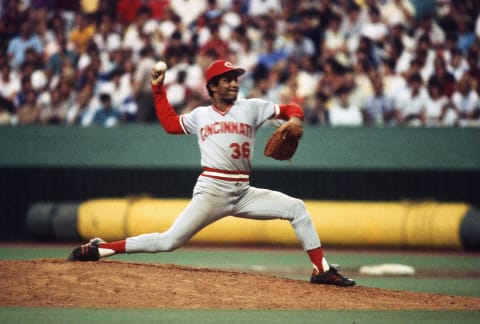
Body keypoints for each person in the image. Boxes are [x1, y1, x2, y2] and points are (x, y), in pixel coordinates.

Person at [67, 59, 356, 287]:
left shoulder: (252, 108)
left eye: (235, 79)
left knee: (296, 208)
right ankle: (102, 248)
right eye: (227, 80)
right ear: (213, 86)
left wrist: (293, 119)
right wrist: (158, 90)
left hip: (243, 192)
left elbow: (291, 107)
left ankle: (321, 270)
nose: (233, 84)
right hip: (212, 191)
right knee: (168, 242)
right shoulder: (200, 115)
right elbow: (170, 123)